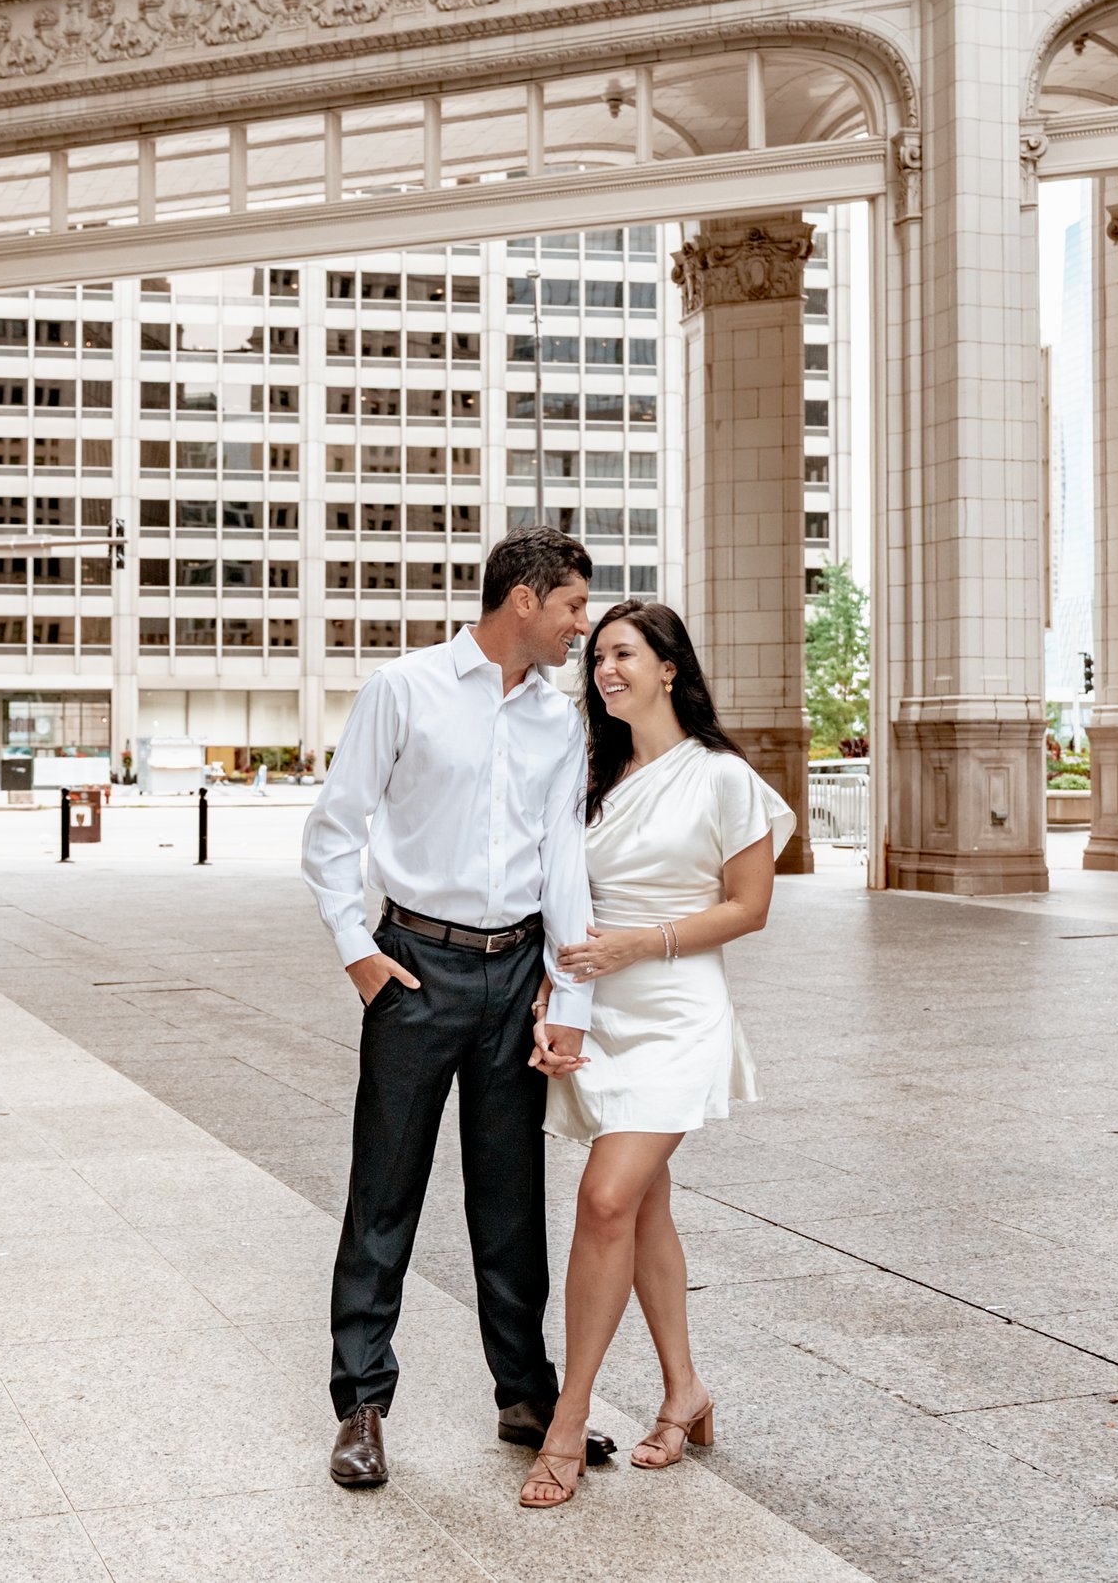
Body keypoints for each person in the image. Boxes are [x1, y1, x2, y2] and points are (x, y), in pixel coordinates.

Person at [300, 526, 618, 1490]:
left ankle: (526, 1398)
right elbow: (332, 832)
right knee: (383, 1190)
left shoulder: (560, 723)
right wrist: (359, 951)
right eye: (572, 604)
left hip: (518, 971)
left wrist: (571, 997)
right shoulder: (404, 690)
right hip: (414, 967)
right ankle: (361, 1404)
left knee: (512, 1198)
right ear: (522, 598)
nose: (581, 625)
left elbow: (563, 865)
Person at [517, 600, 792, 1509]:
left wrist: (642, 944)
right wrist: (559, 1000)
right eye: (597, 656)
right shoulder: (594, 772)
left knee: (604, 1198)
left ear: (670, 665)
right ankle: (686, 1392)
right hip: (601, 1011)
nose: (604, 668)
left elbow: (748, 906)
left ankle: (567, 1418)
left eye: (624, 653)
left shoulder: (721, 776)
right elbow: (569, 906)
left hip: (676, 1009)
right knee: (640, 1208)